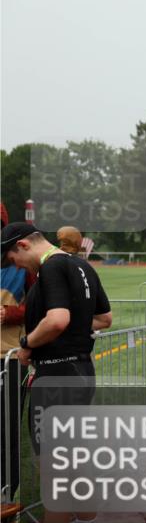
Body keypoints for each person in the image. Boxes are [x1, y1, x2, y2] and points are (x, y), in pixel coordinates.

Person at [2, 222, 112, 523]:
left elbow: (58, 319)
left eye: (11, 258)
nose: (14, 266)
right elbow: (104, 318)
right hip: (81, 370)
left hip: (54, 375)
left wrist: (26, 344)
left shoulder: (52, 267)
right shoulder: (81, 265)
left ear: (23, 245)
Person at [0, 204, 35, 503]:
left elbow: (44, 310)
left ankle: (6, 502)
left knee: (5, 435)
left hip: (9, 360)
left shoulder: (21, 265)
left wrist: (11, 314)